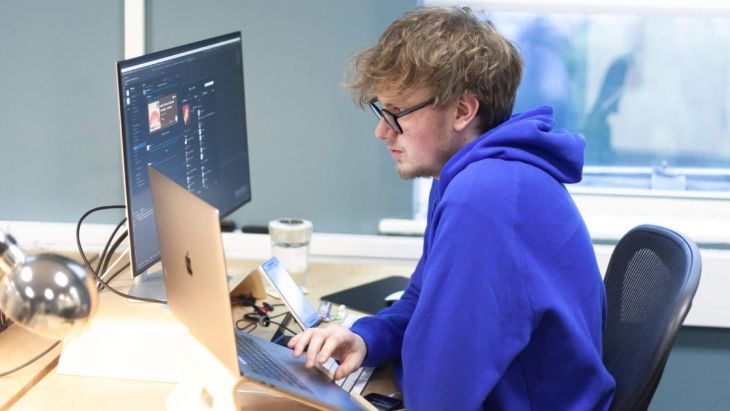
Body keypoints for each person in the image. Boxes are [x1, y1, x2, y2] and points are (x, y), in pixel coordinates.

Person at [288, 6, 616, 410]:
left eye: (397, 113)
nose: (381, 130)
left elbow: (438, 397)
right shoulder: (465, 175)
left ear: (463, 110)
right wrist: (365, 338)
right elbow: (421, 299)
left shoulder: (485, 196)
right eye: (380, 110)